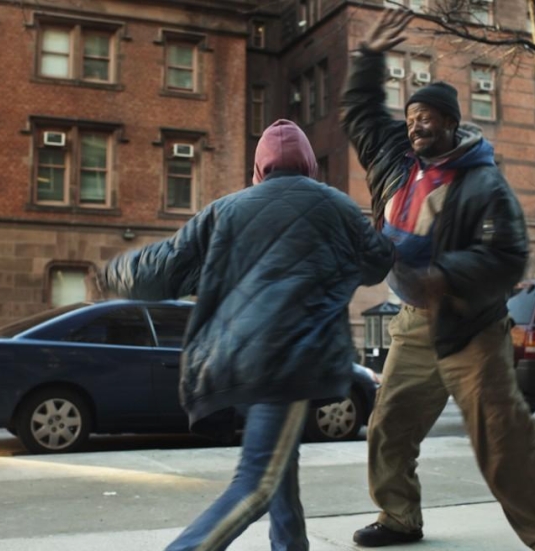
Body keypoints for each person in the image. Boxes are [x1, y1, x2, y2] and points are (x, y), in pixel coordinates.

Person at [339, 8, 535, 551]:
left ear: (449, 122)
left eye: (426, 117)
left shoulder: (483, 182)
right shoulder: (395, 161)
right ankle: (399, 517)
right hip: (414, 324)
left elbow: (507, 255)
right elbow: (360, 112)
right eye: (411, 116)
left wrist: (444, 279)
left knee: (503, 440)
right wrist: (370, 57)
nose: (415, 124)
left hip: (470, 329)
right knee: (388, 427)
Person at [96, 119, 395, 551]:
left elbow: (158, 271)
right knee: (256, 484)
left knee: (280, 466)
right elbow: (376, 264)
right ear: (310, 165)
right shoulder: (338, 207)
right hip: (293, 358)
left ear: (259, 168)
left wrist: (110, 272)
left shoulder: (225, 210)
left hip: (236, 360)